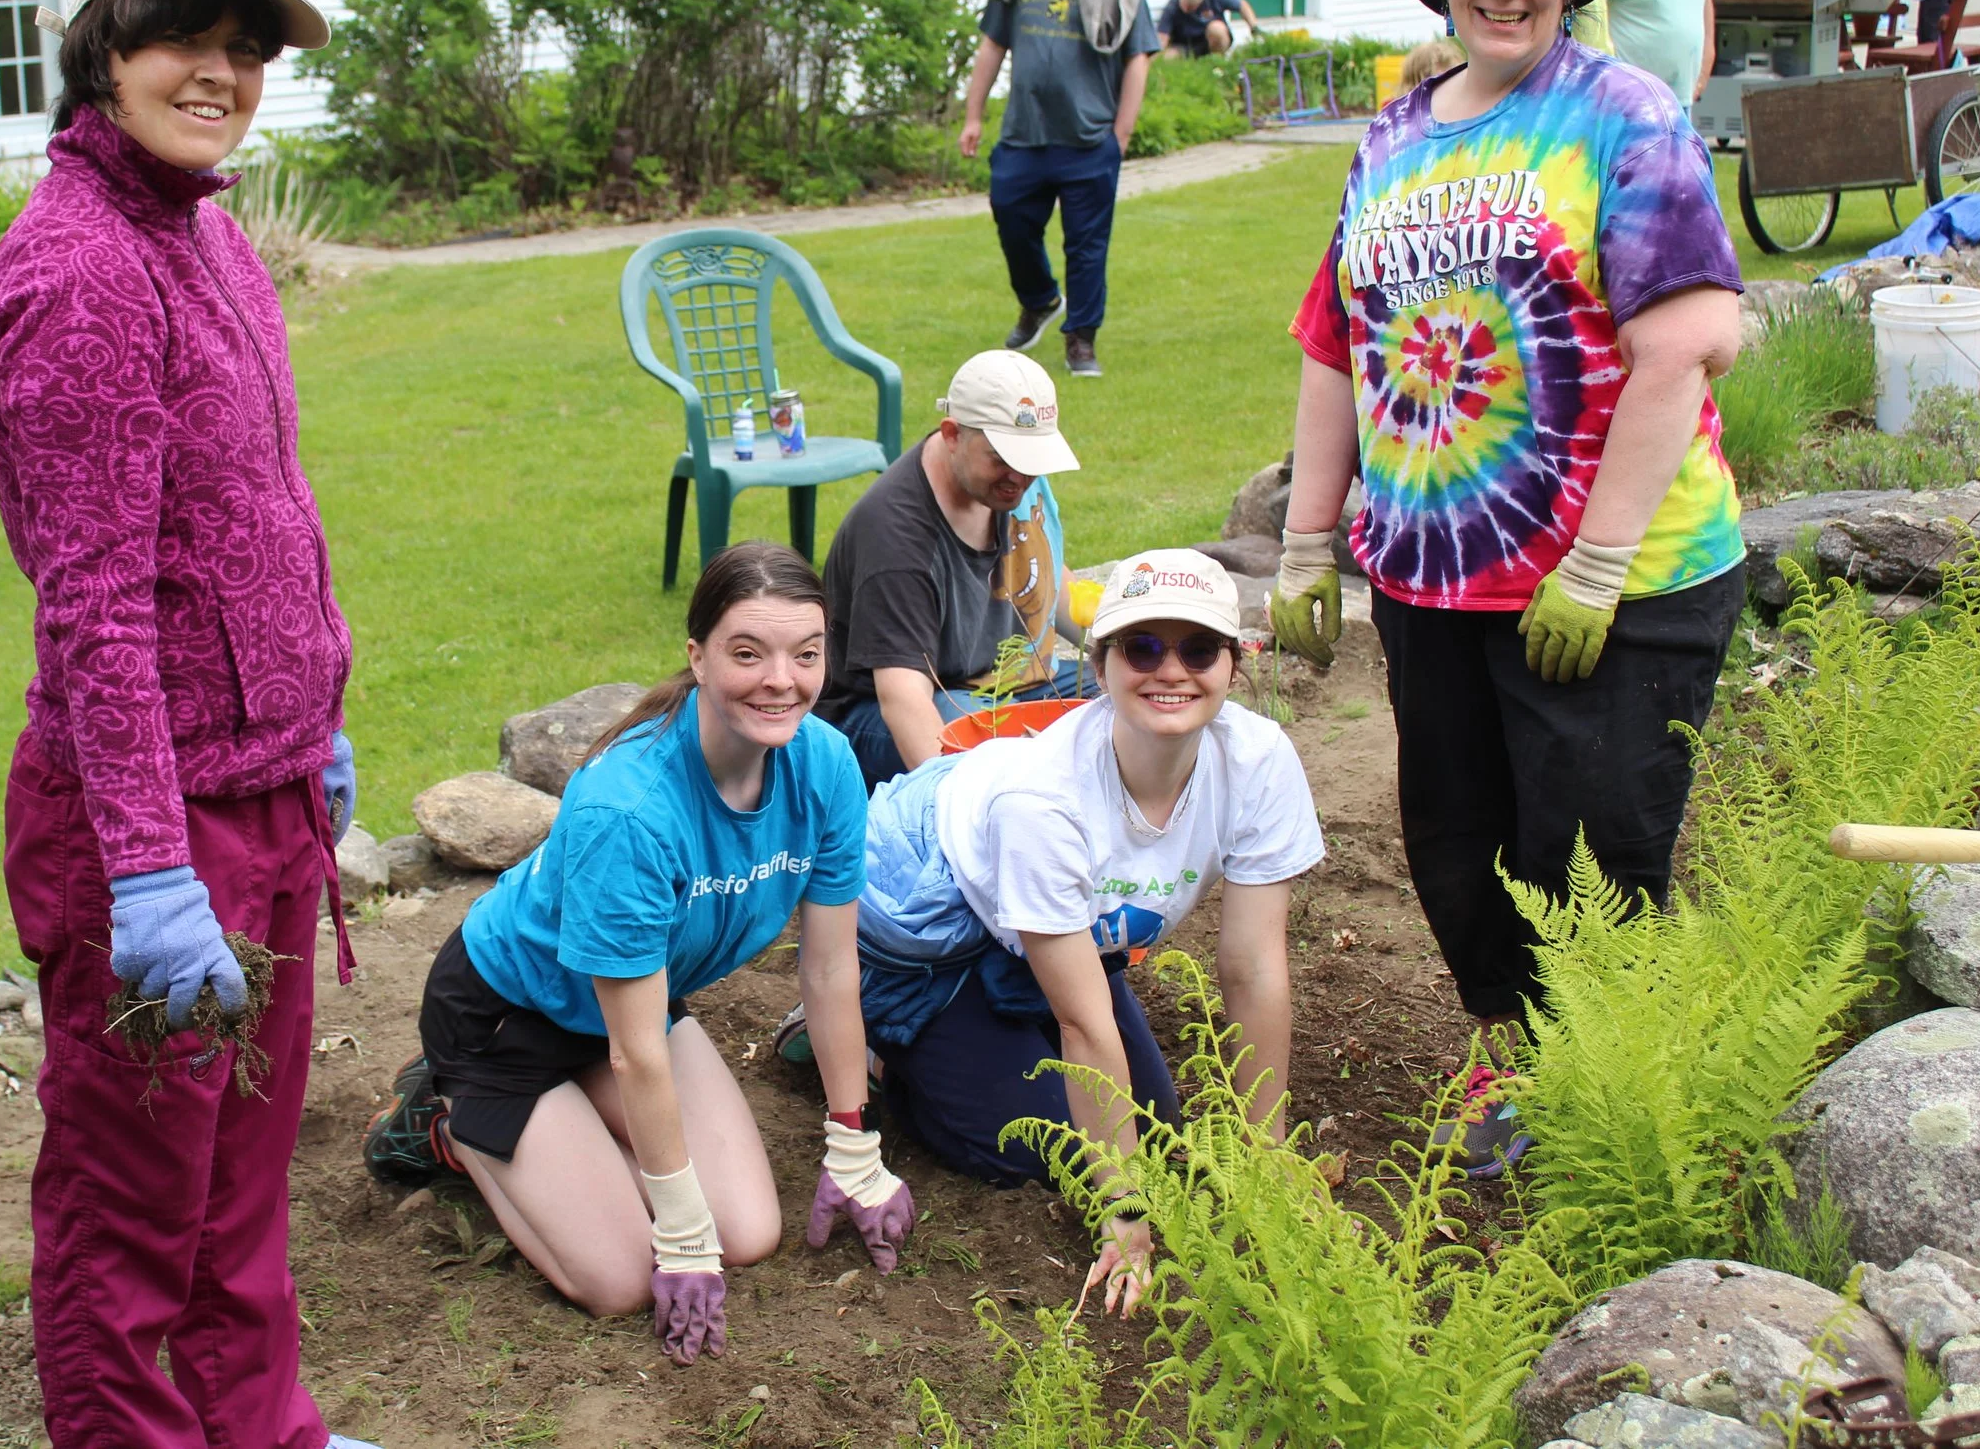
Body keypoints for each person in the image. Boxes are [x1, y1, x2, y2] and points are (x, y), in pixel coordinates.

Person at [1269, 0, 1746, 1178]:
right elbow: (1334, 340)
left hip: (1621, 584)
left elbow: (1688, 343)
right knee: (1459, 853)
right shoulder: (1395, 139)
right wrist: (1312, 537)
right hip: (1435, 579)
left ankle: (1604, 1110)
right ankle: (1511, 1059)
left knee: (1592, 859)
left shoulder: (1624, 117)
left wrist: (1594, 563)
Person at [0, 0, 379, 1449]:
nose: (217, 71)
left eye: (245, 45)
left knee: (234, 1181)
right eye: (181, 37)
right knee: (131, 1208)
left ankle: (261, 1424)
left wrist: (316, 721)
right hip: (152, 826)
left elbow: (257, 510)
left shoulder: (205, 231)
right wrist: (146, 864)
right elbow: (95, 606)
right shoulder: (81, 273)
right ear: (103, 47)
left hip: (263, 786)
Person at [365, 543, 913, 1365]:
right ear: (696, 657)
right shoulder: (630, 808)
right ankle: (444, 1121)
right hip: (507, 1019)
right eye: (747, 652)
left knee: (752, 1232)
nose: (781, 680)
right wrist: (683, 1236)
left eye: (805, 654)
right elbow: (635, 1052)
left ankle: (567, 1144)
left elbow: (831, 969)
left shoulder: (826, 765)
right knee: (626, 1275)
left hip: (632, 1006)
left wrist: (852, 1141)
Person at [852, 551, 1321, 1308]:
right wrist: (1123, 1211)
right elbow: (1082, 1017)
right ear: (1100, 666)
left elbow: (1254, 970)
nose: (1171, 669)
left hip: (1049, 927)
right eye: (1143, 647)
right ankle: (871, 1041)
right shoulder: (1048, 799)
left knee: (1155, 1126)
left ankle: (976, 1027)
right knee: (1049, 1151)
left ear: (1234, 665)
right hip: (926, 916)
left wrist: (1263, 1163)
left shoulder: (1259, 759)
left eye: (1198, 648)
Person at [814, 351, 1089, 793]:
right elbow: (902, 700)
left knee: (1131, 705)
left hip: (1014, 682)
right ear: (952, 434)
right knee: (997, 751)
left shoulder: (1010, 479)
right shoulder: (897, 539)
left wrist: (1125, 645)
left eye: (1032, 456)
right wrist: (969, 810)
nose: (1020, 476)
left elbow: (1045, 573)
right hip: (900, 705)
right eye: (1003, 457)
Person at [959, 0, 1160, 380]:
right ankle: (1041, 299)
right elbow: (991, 47)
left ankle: (1081, 340)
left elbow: (1138, 58)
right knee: (1011, 219)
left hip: (1089, 139)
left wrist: (1122, 133)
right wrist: (974, 116)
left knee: (1087, 246)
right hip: (1024, 135)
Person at [1159, 0, 1259, 57]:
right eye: (1184, 4)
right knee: (1168, 57)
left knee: (1217, 28)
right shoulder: (1172, 6)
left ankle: (1218, 62)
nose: (1186, 9)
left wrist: (1254, 28)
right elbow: (1162, 37)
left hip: (1209, 41)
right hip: (1184, 44)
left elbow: (1242, 5)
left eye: (1191, 6)